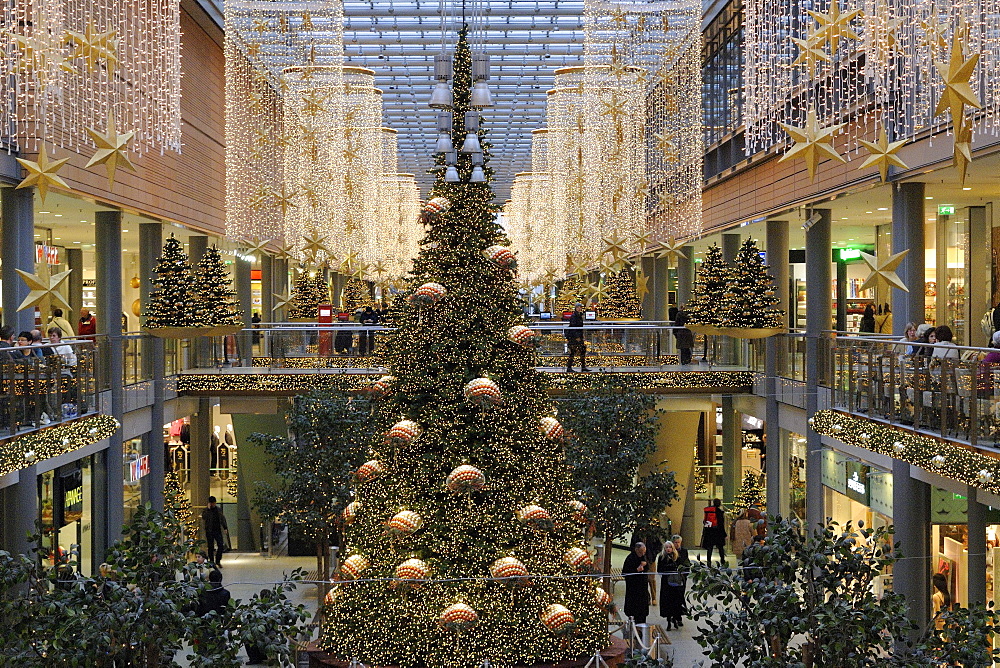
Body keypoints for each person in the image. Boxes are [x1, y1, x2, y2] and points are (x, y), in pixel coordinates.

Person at [656, 541, 686, 630]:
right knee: (667, 601)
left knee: (676, 601)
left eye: (670, 547)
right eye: (666, 547)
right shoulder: (661, 557)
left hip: (676, 582)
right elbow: (659, 570)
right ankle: (669, 620)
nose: (668, 549)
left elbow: (681, 568)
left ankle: (676, 618)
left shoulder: (677, 557)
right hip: (666, 583)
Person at [622, 541, 650, 625]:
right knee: (633, 610)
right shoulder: (630, 558)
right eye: (641, 552)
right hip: (633, 589)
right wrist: (636, 570)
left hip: (643, 588)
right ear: (636, 550)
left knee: (642, 610)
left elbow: (647, 568)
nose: (642, 554)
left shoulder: (643, 557)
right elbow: (625, 573)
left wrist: (645, 565)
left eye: (644, 552)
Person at [202, 496, 228, 567]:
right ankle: (212, 562)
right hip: (209, 531)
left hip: (217, 530)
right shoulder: (206, 510)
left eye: (214, 503)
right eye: (211, 503)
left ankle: (218, 560)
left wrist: (225, 527)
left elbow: (222, 518)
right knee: (210, 547)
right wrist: (208, 509)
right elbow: (204, 517)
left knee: (220, 545)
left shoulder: (218, 510)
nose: (213, 504)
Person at [701, 499, 726, 567]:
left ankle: (709, 562)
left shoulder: (708, 511)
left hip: (709, 532)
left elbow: (705, 522)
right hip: (718, 532)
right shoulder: (719, 512)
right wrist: (724, 534)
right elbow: (721, 524)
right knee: (720, 548)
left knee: (709, 548)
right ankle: (723, 562)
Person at [565, 302, 589, 372]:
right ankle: (569, 367)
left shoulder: (579, 315)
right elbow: (573, 327)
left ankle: (583, 366)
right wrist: (577, 336)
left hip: (578, 336)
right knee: (573, 351)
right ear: (575, 308)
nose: (579, 308)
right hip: (574, 337)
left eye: (580, 307)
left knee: (582, 351)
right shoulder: (574, 316)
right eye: (578, 307)